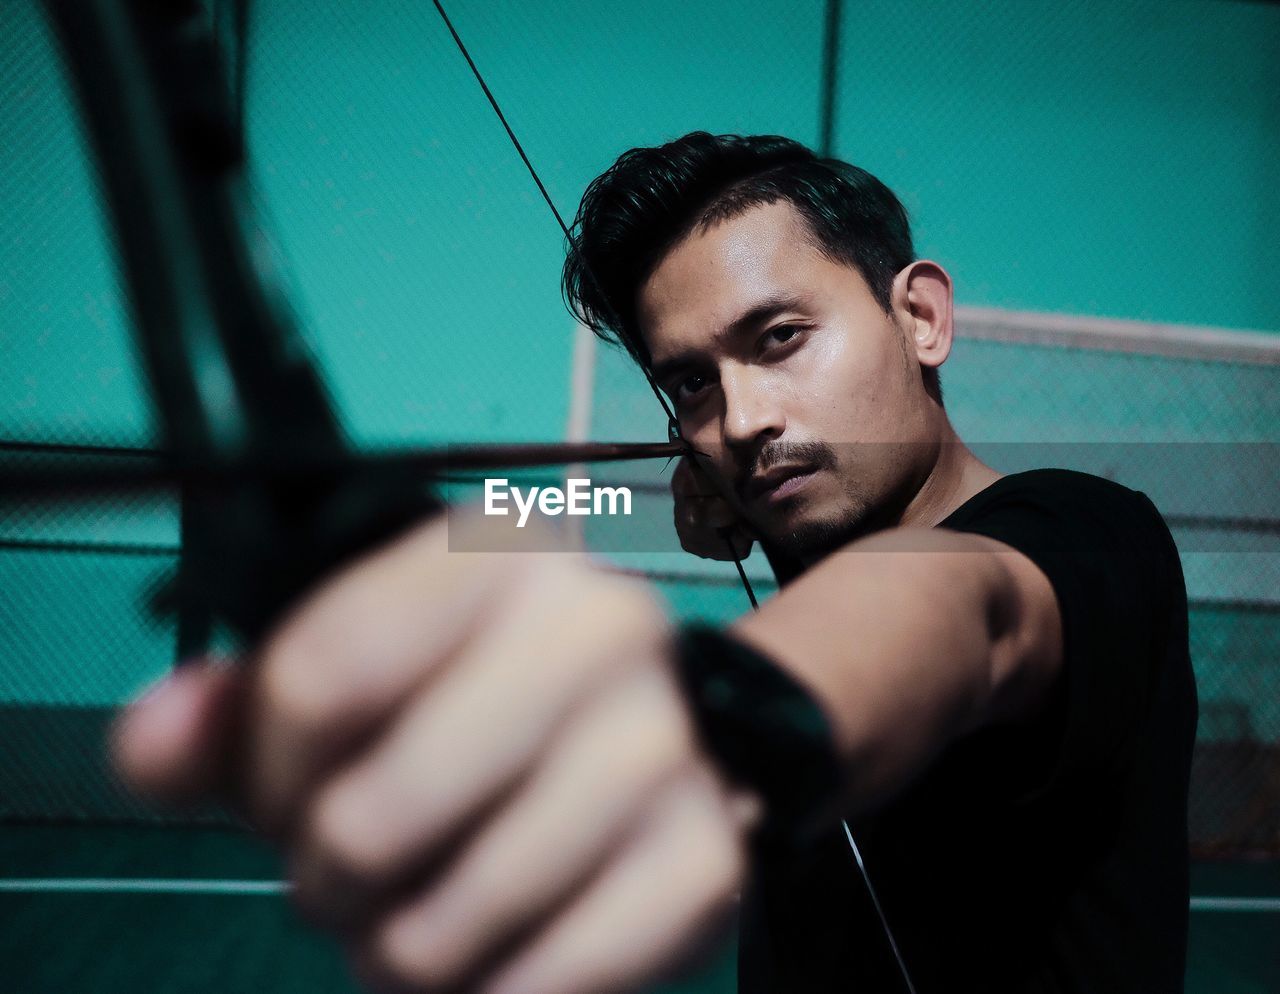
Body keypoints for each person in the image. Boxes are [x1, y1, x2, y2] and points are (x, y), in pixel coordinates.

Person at [112, 132, 1197, 994]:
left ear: (917, 315)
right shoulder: (766, 499)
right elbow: (547, 511)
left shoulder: (1088, 532)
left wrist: (728, 715)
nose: (743, 417)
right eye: (689, 384)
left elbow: (964, 612)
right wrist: (396, 537)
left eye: (778, 338)